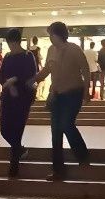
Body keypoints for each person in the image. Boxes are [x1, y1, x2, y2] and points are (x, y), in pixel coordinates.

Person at [30, 21, 90, 181]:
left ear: (58, 35)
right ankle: (58, 170)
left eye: (51, 34)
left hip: (73, 93)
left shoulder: (74, 49)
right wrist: (33, 79)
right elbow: (46, 70)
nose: (50, 37)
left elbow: (85, 70)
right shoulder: (51, 50)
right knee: (56, 132)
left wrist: (87, 91)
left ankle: (83, 155)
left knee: (66, 124)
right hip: (57, 95)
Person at [0, 29, 37, 177]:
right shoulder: (8, 56)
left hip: (23, 98)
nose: (11, 47)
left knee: (17, 130)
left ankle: (14, 166)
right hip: (8, 97)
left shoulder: (28, 56)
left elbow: (31, 75)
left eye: (12, 44)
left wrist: (15, 80)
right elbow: (2, 75)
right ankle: (20, 150)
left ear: (17, 42)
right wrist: (9, 84)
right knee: (4, 129)